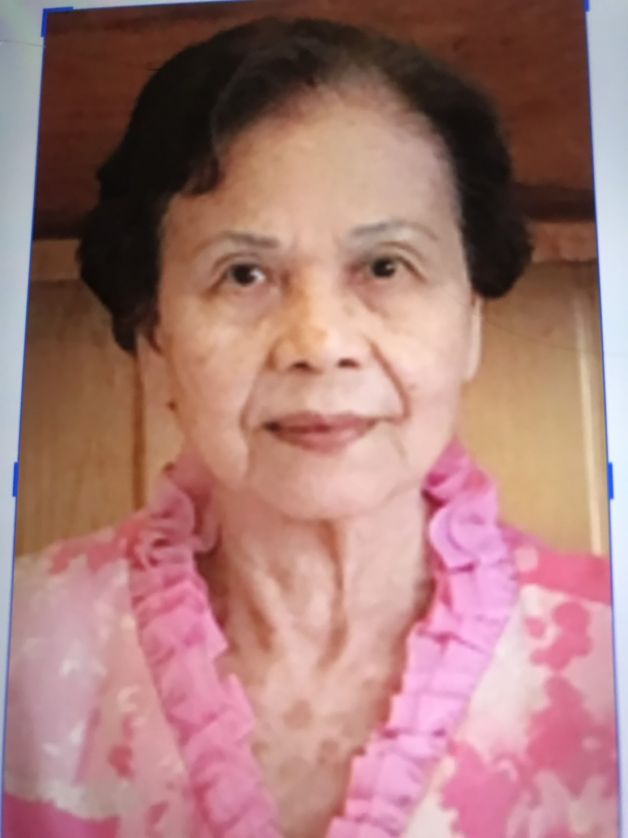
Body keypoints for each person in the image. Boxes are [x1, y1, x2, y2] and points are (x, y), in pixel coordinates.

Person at [3, 16, 617, 838]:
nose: (319, 343)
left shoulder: (608, 658)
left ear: (469, 319)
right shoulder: (23, 652)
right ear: (154, 338)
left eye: (386, 265)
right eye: (243, 274)